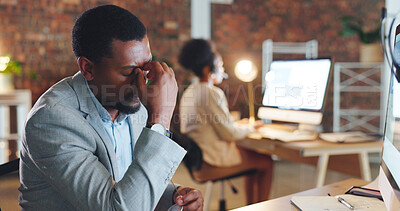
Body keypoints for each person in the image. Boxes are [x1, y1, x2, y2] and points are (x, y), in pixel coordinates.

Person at [18, 5, 203, 211]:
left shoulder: (133, 106)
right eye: (129, 71)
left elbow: (130, 186)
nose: (142, 81)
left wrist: (174, 195)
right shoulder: (52, 119)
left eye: (145, 67)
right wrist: (160, 119)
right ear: (87, 68)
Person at [178, 39, 274, 204]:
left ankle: (252, 207)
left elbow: (218, 126)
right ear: (209, 68)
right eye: (220, 64)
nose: (223, 69)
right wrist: (251, 127)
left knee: (253, 163)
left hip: (198, 160)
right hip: (210, 162)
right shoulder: (211, 93)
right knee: (266, 162)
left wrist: (240, 126)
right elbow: (229, 133)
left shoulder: (190, 91)